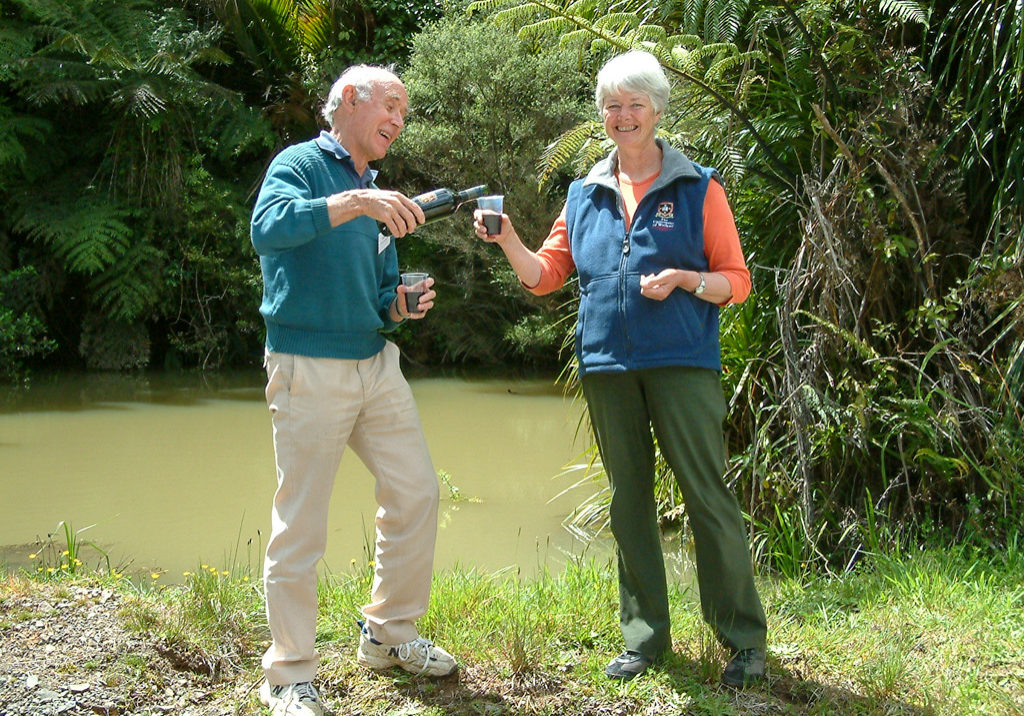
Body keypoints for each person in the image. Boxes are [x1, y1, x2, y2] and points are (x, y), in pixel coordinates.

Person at [472, 50, 767, 686]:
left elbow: (737, 282)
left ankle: (742, 638)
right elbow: (544, 276)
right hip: (606, 366)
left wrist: (690, 279)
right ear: (601, 115)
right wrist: (506, 238)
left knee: (706, 496)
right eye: (612, 105)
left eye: (635, 104)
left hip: (682, 364)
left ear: (657, 110)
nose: (622, 116)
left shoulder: (699, 188)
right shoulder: (584, 194)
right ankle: (645, 639)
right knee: (628, 501)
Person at [250, 64, 457, 716]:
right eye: (390, 105)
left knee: (417, 491)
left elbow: (376, 297)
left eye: (404, 111)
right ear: (347, 103)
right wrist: (357, 204)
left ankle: (388, 636)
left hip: (375, 363)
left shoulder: (378, 193)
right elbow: (269, 228)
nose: (398, 119)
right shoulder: (301, 165)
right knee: (302, 523)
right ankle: (289, 674)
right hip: (307, 365)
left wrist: (400, 305)